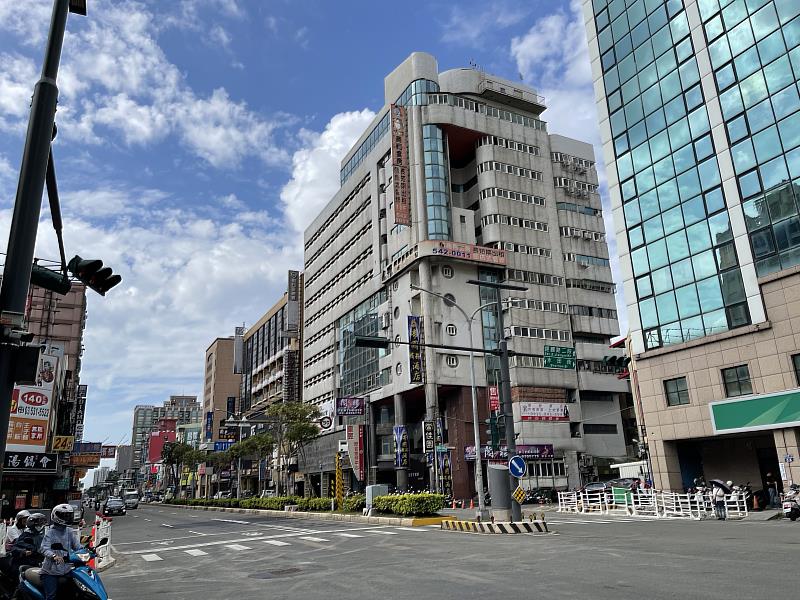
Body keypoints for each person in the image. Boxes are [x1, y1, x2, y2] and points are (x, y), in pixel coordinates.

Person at [39, 504, 81, 600]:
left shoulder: (69, 531)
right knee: (51, 597)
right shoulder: (50, 532)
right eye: (65, 516)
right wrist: (54, 556)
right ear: (56, 516)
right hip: (51, 571)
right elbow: (44, 548)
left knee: (74, 592)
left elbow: (77, 546)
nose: (68, 518)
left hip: (66, 569)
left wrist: (88, 551)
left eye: (69, 515)